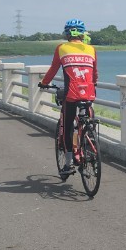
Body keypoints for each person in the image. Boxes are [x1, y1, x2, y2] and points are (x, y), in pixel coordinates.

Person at [39, 18, 97, 174]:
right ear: (83, 34)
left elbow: (53, 70)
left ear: (67, 34)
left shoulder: (61, 48)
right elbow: (95, 74)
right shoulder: (91, 49)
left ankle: (69, 163)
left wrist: (43, 83)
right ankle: (91, 144)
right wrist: (94, 84)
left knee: (67, 126)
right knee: (88, 119)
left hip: (71, 94)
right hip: (89, 93)